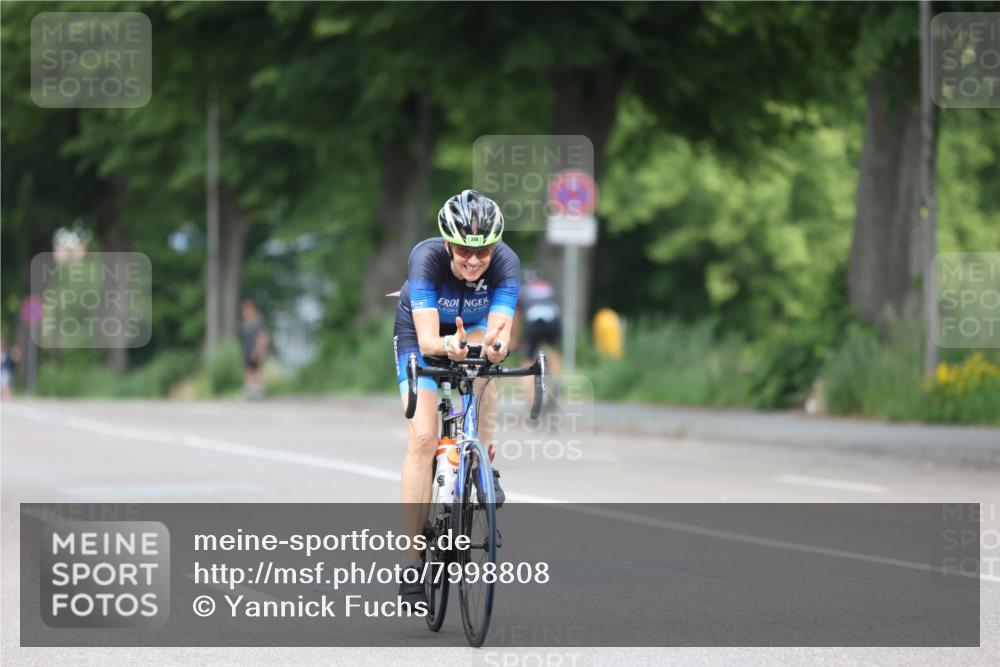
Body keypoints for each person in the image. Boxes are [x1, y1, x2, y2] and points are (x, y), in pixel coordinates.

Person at [392, 189, 518, 608]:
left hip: (474, 330)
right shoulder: (425, 258)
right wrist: (449, 346)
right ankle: (412, 561)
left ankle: (483, 460)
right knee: (424, 438)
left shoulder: (506, 263)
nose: (474, 260)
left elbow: (500, 333)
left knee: (487, 363)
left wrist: (496, 349)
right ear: (448, 243)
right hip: (420, 335)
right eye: (465, 250)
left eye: (483, 251)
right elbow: (429, 339)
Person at [515, 268, 563, 374]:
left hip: (533, 322)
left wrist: (516, 337)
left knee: (527, 357)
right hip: (553, 321)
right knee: (553, 349)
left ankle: (527, 389)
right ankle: (556, 382)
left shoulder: (523, 289)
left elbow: (516, 315)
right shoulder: (547, 286)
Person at [240, 299, 269, 399]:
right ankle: (250, 391)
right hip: (247, 351)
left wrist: (259, 351)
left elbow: (263, 337)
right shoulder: (246, 324)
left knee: (256, 371)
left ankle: (258, 391)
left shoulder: (258, 323)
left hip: (255, 351)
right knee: (248, 371)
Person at [1, 336, 19, 400]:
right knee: (3, 383)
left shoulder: (7, 350)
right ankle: (4, 396)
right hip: (3, 369)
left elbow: (15, 358)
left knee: (5, 383)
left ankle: (8, 396)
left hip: (6, 369)